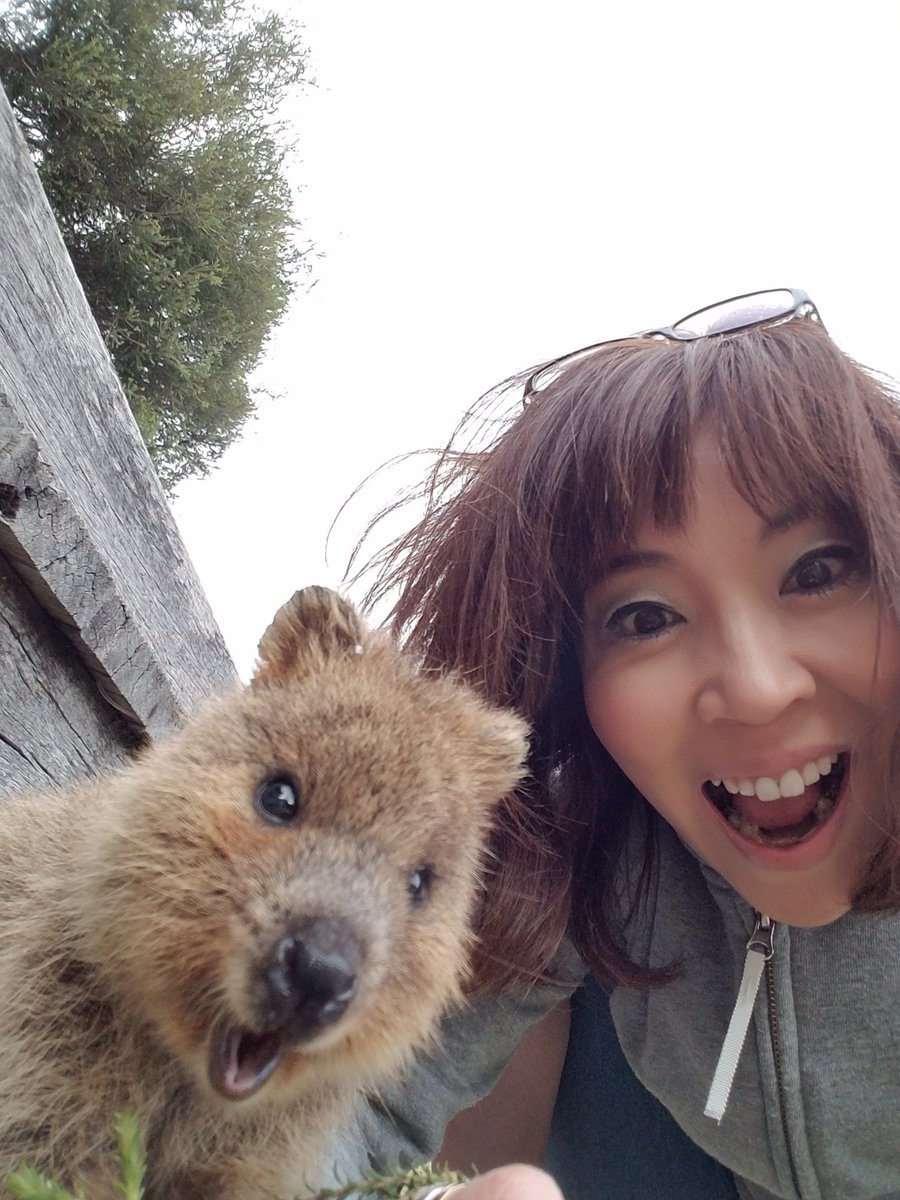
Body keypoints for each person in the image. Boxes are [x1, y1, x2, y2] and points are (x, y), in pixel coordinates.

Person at [331, 290, 900, 1200]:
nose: (756, 690)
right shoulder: (578, 829)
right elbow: (356, 1102)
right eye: (645, 616)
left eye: (818, 572)